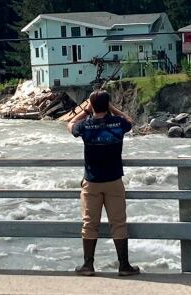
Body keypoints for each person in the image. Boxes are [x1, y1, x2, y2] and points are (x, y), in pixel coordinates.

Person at [67, 90, 140, 277]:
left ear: (92, 105)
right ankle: (124, 266)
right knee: (119, 223)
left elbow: (70, 125)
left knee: (90, 224)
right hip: (114, 180)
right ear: (108, 105)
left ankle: (88, 265)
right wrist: (112, 109)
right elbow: (129, 120)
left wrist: (86, 110)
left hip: (92, 181)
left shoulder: (86, 125)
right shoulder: (118, 124)